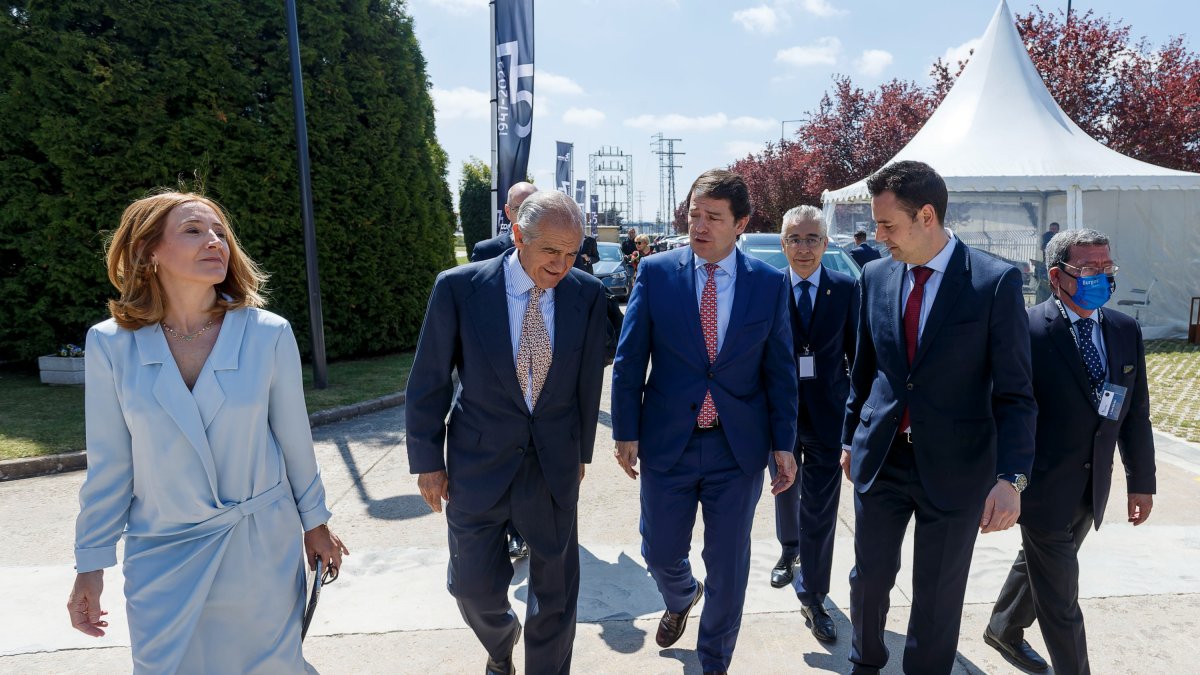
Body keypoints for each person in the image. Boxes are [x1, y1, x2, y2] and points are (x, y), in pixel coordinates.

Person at [67, 192, 347, 673]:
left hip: (259, 548)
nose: (215, 241)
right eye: (193, 231)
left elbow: (296, 444)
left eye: (220, 232)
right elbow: (111, 466)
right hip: (161, 554)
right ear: (149, 250)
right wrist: (90, 565)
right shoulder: (110, 344)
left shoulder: (268, 333)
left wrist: (316, 524)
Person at [842, 160, 1037, 674]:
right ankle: (866, 663)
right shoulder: (874, 276)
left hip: (957, 469)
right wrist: (849, 439)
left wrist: (1012, 478)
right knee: (868, 580)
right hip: (881, 458)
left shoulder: (994, 282)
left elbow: (1016, 393)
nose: (878, 236)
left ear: (926, 216)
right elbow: (864, 371)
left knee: (937, 596)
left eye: (888, 225)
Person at [406, 190, 608, 675]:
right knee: (471, 589)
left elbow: (588, 382)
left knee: (556, 597)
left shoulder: (587, 294)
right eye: (550, 251)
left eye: (571, 253)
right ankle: (501, 644)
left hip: (552, 465)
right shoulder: (460, 288)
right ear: (518, 236)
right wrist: (428, 462)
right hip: (478, 464)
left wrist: (581, 453)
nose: (561, 265)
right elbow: (429, 380)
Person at [612, 169, 798, 675]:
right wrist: (625, 430)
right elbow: (630, 359)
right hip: (667, 442)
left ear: (741, 223)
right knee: (659, 551)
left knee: (729, 568)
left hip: (736, 450)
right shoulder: (656, 273)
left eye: (713, 217)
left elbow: (780, 371)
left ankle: (714, 662)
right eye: (694, 214)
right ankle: (680, 595)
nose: (699, 225)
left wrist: (784, 443)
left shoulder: (768, 283)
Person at [983, 229, 1155, 675]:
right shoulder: (1025, 329)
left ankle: (1003, 628)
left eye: (1107, 267)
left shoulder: (1124, 329)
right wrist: (1001, 478)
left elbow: (1134, 414)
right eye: (1089, 269)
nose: (1102, 276)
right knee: (1061, 596)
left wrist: (1141, 483)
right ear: (1057, 276)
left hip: (1091, 485)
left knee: (1040, 564)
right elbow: (1001, 408)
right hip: (1039, 486)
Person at [767, 206, 858, 645]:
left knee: (821, 506)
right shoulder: (767, 288)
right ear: (782, 243)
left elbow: (860, 358)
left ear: (825, 243)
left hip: (828, 415)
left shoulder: (847, 289)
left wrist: (855, 425)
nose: (803, 248)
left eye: (812, 239)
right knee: (785, 489)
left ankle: (814, 595)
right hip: (779, 415)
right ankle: (789, 550)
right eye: (794, 239)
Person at [468, 179, 539, 559]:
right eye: (520, 206)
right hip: (498, 373)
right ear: (509, 213)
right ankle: (507, 529)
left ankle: (524, 530)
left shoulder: (553, 250)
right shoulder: (486, 251)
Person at [471, 181, 538, 263]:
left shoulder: (552, 248)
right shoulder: (485, 252)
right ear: (507, 212)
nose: (527, 215)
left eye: (534, 209)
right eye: (519, 209)